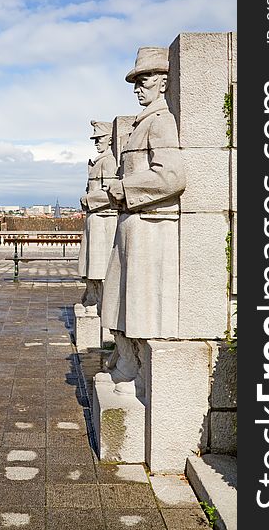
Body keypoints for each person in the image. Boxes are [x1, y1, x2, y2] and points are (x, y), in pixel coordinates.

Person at [97, 46, 186, 396]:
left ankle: (136, 372)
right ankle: (127, 362)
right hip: (132, 223)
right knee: (119, 300)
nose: (137, 87)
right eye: (136, 81)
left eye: (144, 79)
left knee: (137, 302)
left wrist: (124, 187)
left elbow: (172, 176)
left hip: (146, 225)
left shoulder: (161, 122)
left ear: (163, 82)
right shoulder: (143, 122)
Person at [78, 120, 118, 314]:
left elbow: (110, 192)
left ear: (110, 139)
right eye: (95, 139)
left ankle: (99, 303)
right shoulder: (99, 161)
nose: (96, 142)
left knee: (99, 266)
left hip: (102, 220)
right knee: (92, 266)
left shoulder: (109, 162)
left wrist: (87, 199)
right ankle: (92, 297)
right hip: (95, 220)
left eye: (99, 138)